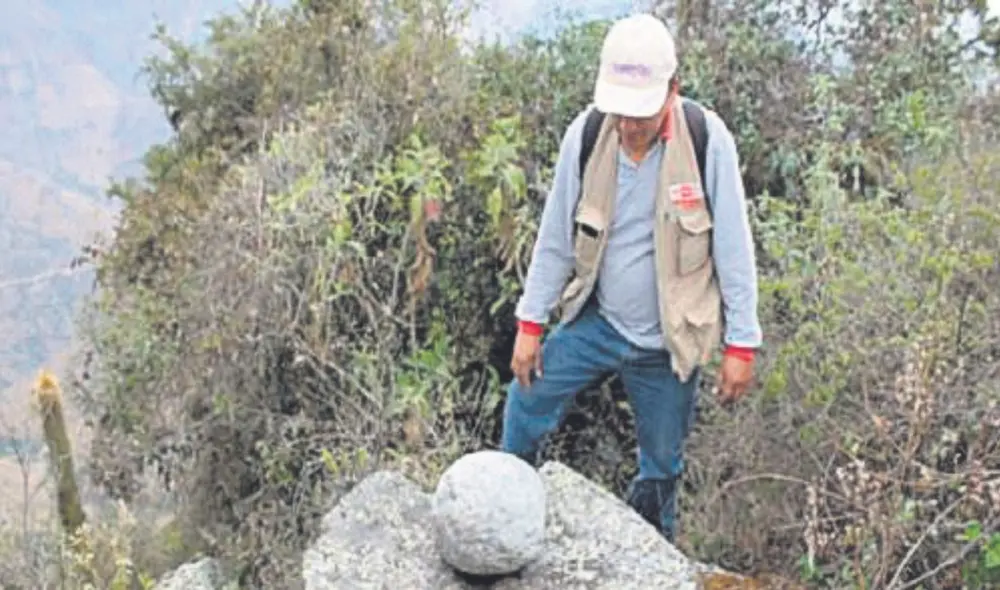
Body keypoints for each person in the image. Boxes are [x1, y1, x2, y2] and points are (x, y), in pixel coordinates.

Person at [499, 13, 763, 544]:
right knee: (525, 402)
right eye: (621, 109)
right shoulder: (589, 133)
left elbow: (734, 248)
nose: (629, 124)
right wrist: (530, 323)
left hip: (669, 341)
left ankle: (655, 555)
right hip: (597, 322)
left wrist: (742, 344)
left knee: (662, 463)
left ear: (673, 89)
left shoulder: (706, 139)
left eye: (640, 111)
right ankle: (505, 514)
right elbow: (555, 238)